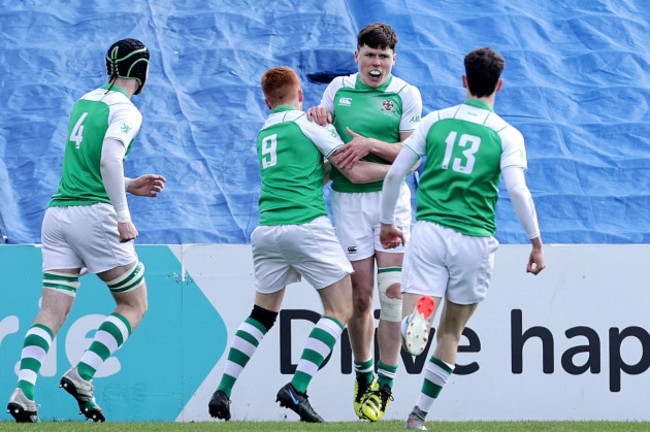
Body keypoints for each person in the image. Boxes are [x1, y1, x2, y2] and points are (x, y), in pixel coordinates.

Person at [207, 66, 393, 423]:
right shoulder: (309, 124)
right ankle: (298, 386)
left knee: (261, 315)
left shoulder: (264, 131)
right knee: (341, 310)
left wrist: (325, 168)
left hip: (267, 231)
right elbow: (351, 168)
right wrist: (400, 169)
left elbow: (310, 169)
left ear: (266, 100)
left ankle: (223, 390)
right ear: (301, 96)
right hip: (306, 225)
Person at [379, 47, 546, 430]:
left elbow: (394, 175)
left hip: (431, 231)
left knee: (415, 324)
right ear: (499, 85)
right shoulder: (506, 134)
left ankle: (412, 322)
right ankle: (418, 416)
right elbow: (518, 192)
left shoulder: (435, 121)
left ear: (464, 81)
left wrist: (388, 223)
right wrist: (535, 242)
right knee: (452, 332)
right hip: (474, 239)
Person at [6, 38, 166, 423]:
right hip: (95, 216)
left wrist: (129, 184)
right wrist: (123, 214)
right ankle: (83, 374)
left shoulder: (85, 101)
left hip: (58, 214)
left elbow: (90, 166)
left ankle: (23, 390)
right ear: (141, 74)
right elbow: (110, 157)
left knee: (51, 310)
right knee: (134, 304)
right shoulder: (127, 110)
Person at [307, 22, 422, 421]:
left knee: (391, 296)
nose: (376, 64)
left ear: (394, 59)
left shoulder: (405, 94)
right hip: (348, 205)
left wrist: (370, 144)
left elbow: (411, 155)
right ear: (357, 55)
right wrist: (318, 115)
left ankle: (385, 386)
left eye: (384, 57)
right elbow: (324, 139)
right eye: (370, 56)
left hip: (391, 204)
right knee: (359, 298)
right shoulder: (337, 90)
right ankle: (363, 376)